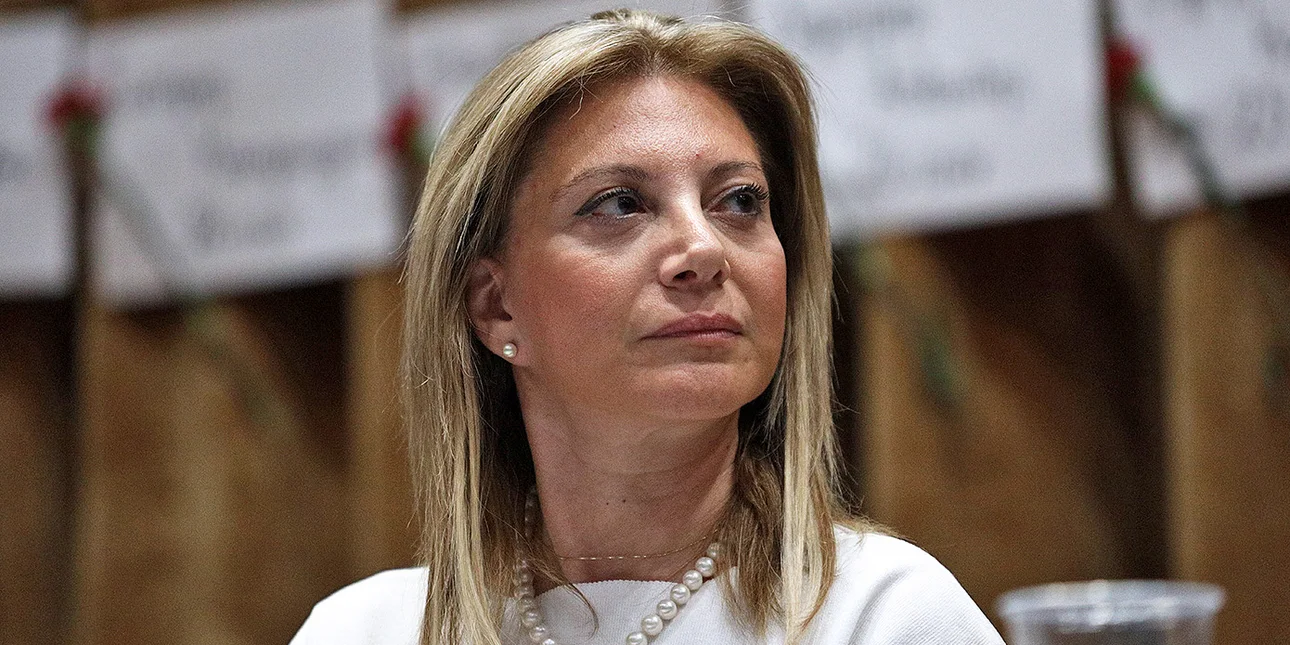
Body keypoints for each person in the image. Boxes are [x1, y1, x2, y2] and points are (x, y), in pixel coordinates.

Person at [290, 9, 1004, 645]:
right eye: (619, 204)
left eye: (740, 201)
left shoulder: (884, 615)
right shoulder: (364, 630)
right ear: (495, 307)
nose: (702, 248)